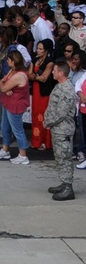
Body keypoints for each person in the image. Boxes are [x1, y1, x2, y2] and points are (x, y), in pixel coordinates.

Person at [43, 60, 78, 201]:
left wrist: (48, 122)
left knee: (64, 157)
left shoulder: (66, 90)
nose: (52, 72)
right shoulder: (60, 86)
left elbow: (61, 113)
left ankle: (68, 188)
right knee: (60, 157)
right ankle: (64, 183)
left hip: (63, 130)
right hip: (58, 129)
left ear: (61, 73)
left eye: (55, 70)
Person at [0, 50, 31, 164]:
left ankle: (23, 155)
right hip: (8, 103)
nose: (7, 61)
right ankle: (5, 150)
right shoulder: (13, 71)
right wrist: (4, 84)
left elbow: (3, 87)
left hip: (15, 105)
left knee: (17, 130)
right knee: (5, 128)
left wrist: (3, 84)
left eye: (9, 60)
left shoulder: (18, 75)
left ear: (13, 62)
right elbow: (4, 84)